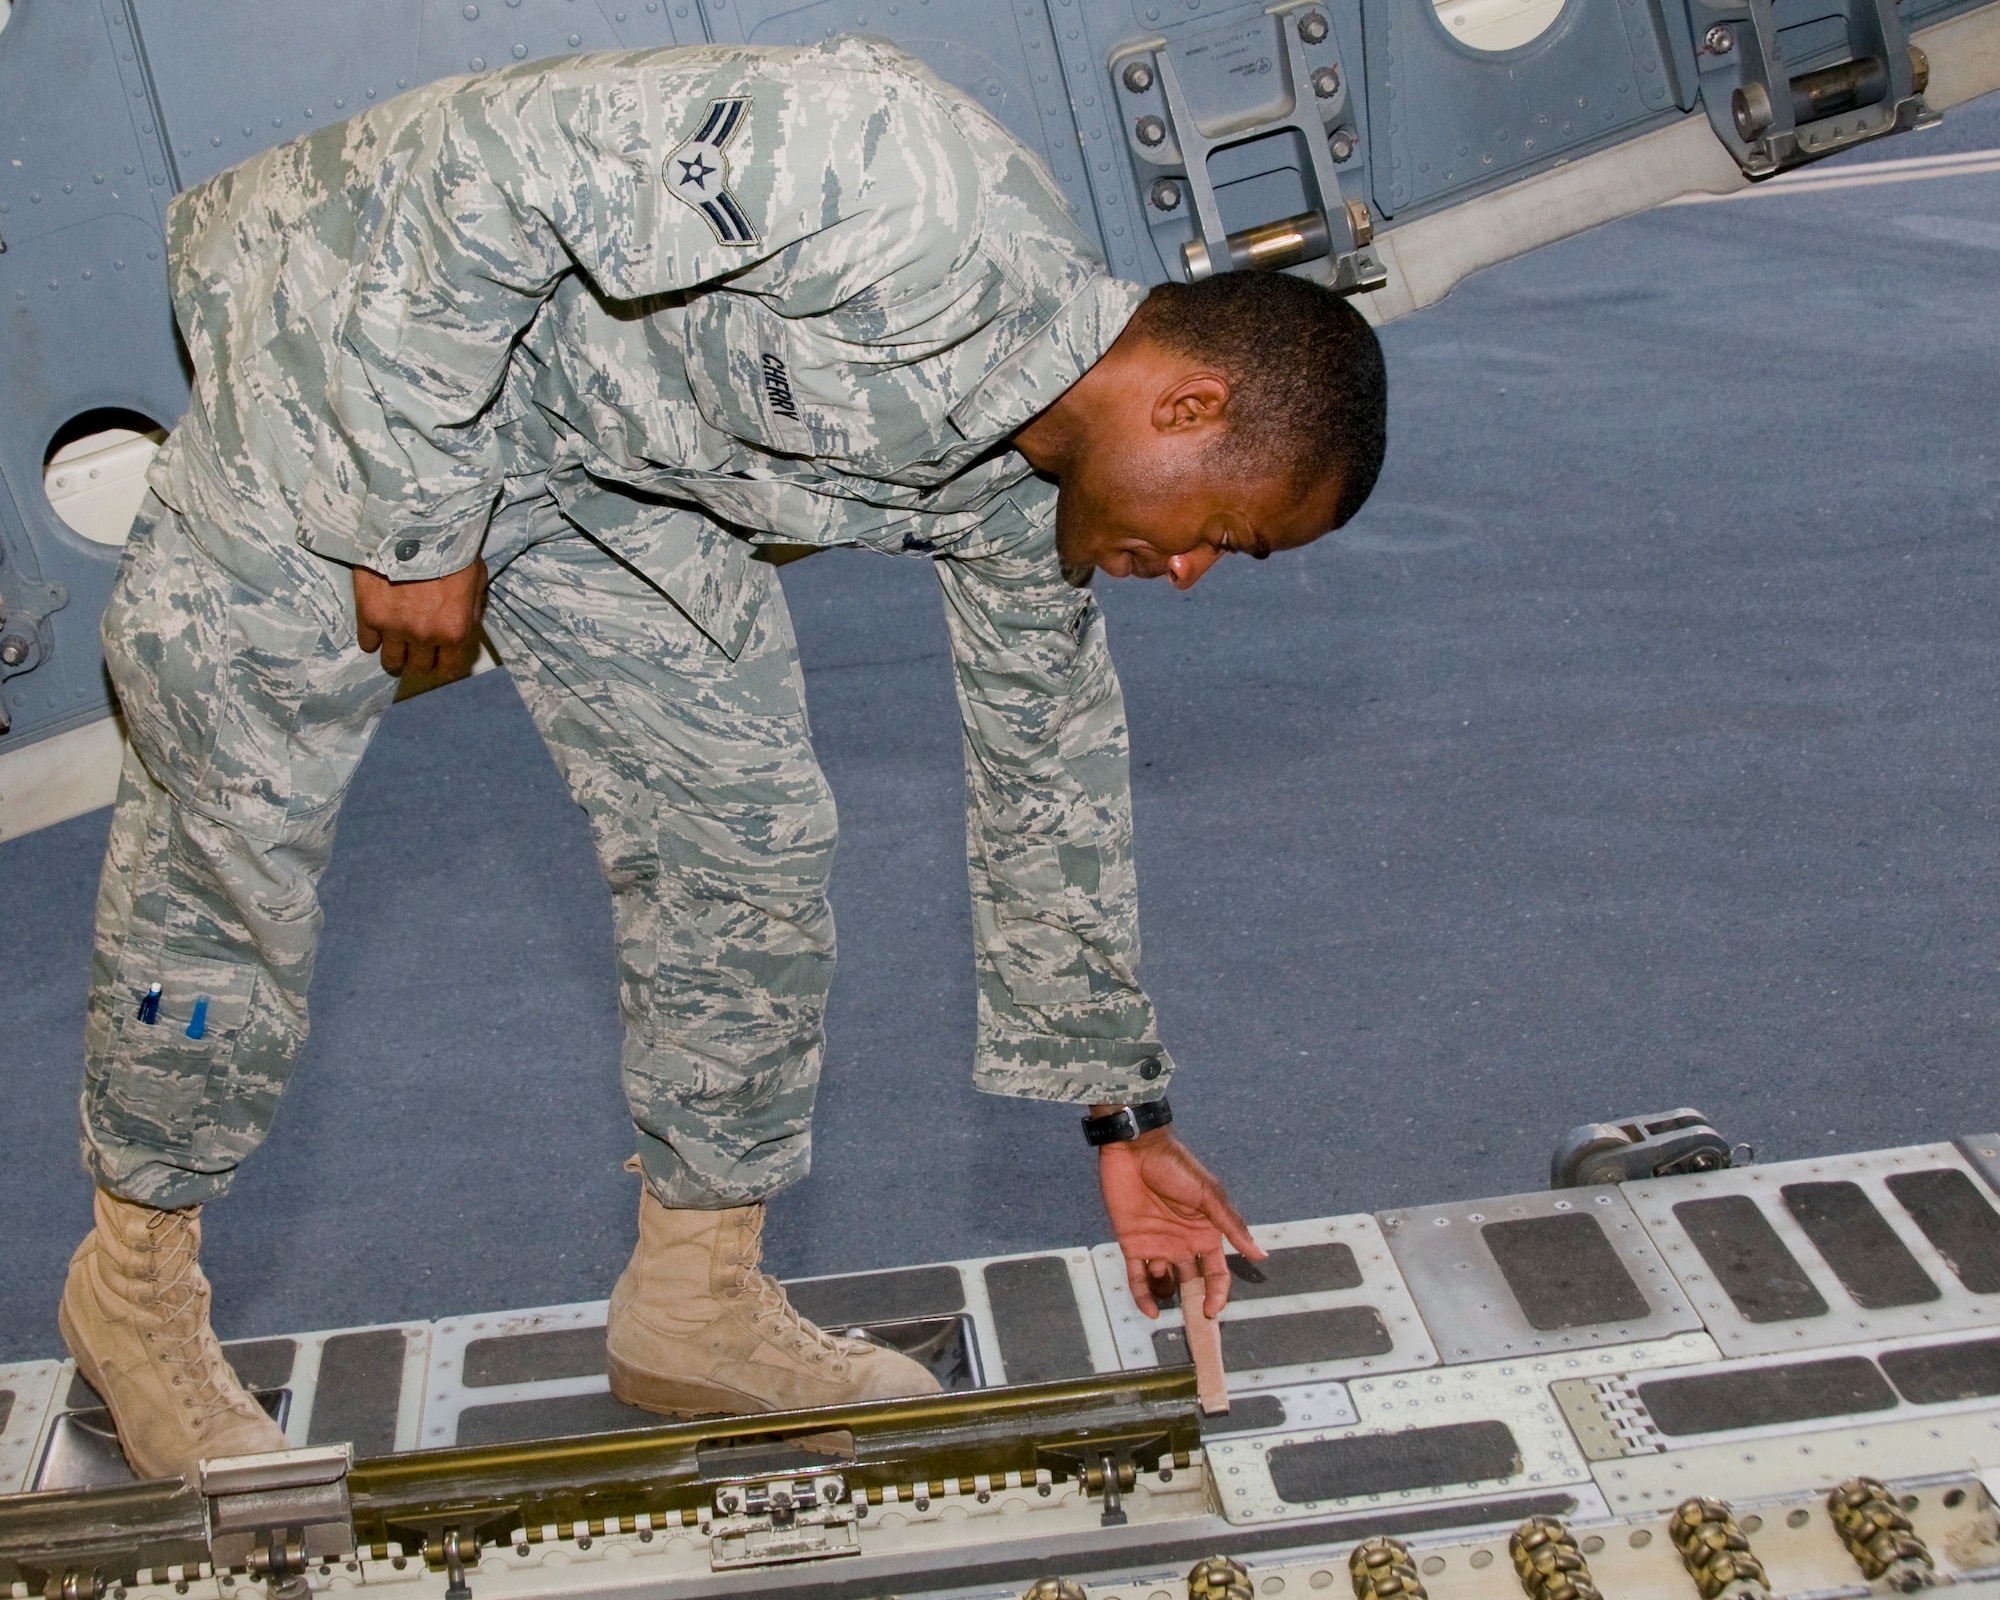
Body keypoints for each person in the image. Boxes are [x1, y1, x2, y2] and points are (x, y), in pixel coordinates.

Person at [60, 34, 1389, 1481]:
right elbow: (477, 181)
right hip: (355, 352)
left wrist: (1123, 1117)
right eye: (1224, 530)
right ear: (1190, 406)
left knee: (743, 832)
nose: (1191, 570)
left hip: (608, 459)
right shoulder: (903, 184)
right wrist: (418, 522)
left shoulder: (1033, 498)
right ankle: (133, 1289)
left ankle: (692, 1302)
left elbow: (1048, 766)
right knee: (231, 833)